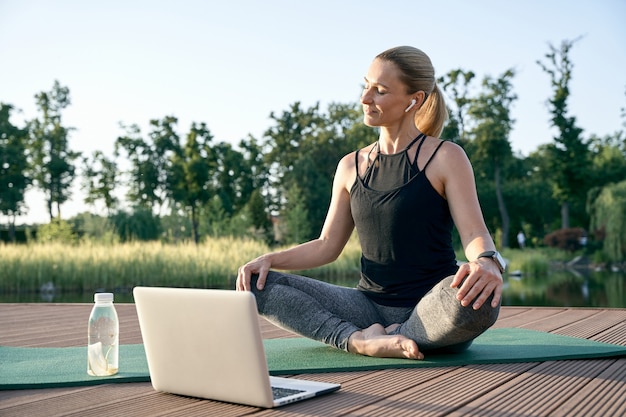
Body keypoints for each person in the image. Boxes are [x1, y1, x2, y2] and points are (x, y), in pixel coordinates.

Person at [237, 46, 504, 360]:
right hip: (366, 309)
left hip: (433, 309)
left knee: (481, 301)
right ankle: (359, 340)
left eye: (380, 91)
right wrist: (270, 258)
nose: (365, 98)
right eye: (366, 86)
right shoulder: (350, 166)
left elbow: (474, 232)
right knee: (255, 282)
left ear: (414, 100)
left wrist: (487, 262)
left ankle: (395, 336)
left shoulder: (445, 157)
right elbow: (326, 245)